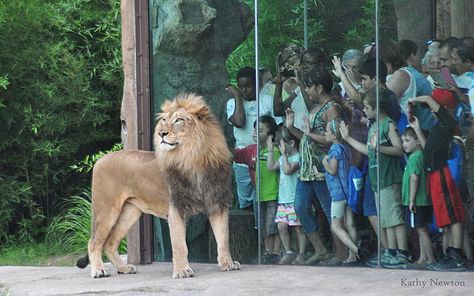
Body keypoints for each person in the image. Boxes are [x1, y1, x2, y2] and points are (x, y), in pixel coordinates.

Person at [340, 88, 411, 268]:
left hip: (389, 177)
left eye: (366, 107)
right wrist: (347, 138)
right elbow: (369, 151)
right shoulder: (373, 126)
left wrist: (380, 149)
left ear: (377, 108)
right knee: (385, 218)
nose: (364, 110)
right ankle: (391, 251)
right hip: (378, 178)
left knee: (394, 216)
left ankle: (402, 252)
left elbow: (398, 149)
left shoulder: (388, 124)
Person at [285, 66, 341, 265]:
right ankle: (321, 249)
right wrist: (291, 128)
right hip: (307, 169)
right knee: (300, 207)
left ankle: (340, 252)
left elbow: (334, 139)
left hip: (322, 167)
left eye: (308, 87)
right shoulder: (317, 108)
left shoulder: (332, 108)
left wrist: (309, 134)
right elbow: (308, 138)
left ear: (319, 87)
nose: (306, 91)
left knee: (329, 210)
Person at [409, 90, 466, 271]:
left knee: (452, 215)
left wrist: (412, 99)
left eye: (435, 106)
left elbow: (427, 98)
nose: (431, 110)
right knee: (445, 216)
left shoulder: (446, 121)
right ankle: (450, 252)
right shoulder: (438, 125)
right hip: (434, 175)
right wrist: (417, 129)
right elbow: (428, 150)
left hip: (441, 174)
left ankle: (456, 254)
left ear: (444, 107)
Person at [226, 66, 278, 211]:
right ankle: (251, 232)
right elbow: (239, 121)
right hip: (242, 158)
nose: (244, 90)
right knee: (246, 202)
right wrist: (237, 98)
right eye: (240, 87)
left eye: (248, 86)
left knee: (266, 199)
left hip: (266, 157)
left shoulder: (267, 100)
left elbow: (278, 128)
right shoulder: (232, 104)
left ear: (257, 84)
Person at [234, 115, 281, 264]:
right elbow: (236, 155)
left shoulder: (276, 150)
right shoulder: (251, 150)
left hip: (273, 194)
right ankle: (267, 252)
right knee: (261, 226)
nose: (255, 133)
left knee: (272, 225)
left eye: (260, 130)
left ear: (270, 135)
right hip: (258, 194)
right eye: (255, 129)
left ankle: (276, 252)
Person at [266, 126, 306, 265]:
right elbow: (270, 167)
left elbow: (288, 171)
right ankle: (289, 251)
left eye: (280, 144)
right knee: (281, 226)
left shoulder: (296, 157)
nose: (279, 147)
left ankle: (301, 253)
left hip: (294, 198)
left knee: (298, 228)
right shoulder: (285, 157)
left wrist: (283, 155)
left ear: (291, 143)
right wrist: (271, 150)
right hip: (283, 200)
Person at [322, 118, 359, 264]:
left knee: (335, 226)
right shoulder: (345, 148)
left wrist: (324, 162)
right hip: (347, 190)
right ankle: (352, 256)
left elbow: (332, 170)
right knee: (350, 223)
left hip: (338, 194)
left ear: (334, 134)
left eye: (327, 131)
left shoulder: (334, 150)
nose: (325, 133)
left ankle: (355, 249)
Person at [400, 126, 435, 266]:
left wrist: (411, 200)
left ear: (418, 142)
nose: (404, 144)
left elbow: (414, 178)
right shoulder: (421, 156)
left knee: (421, 230)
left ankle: (431, 259)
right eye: (403, 141)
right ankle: (423, 257)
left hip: (417, 202)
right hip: (423, 201)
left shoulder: (414, 158)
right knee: (421, 229)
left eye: (408, 140)